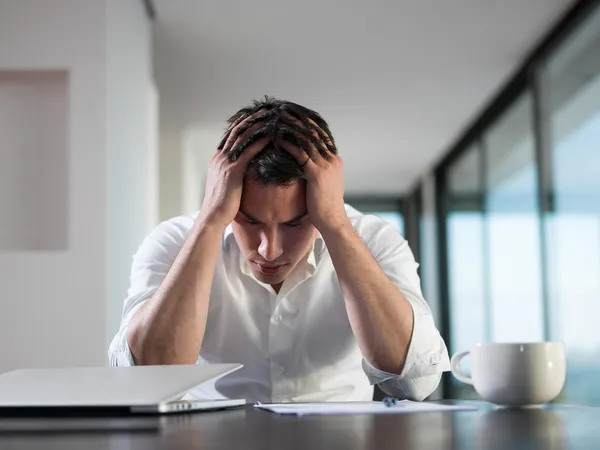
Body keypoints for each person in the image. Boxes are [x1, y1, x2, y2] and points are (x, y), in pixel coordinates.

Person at [108, 97, 450, 402]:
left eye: (294, 224)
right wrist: (211, 221)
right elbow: (144, 378)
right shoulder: (172, 242)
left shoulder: (374, 239)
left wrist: (335, 224)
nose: (269, 251)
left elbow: (415, 383)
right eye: (249, 221)